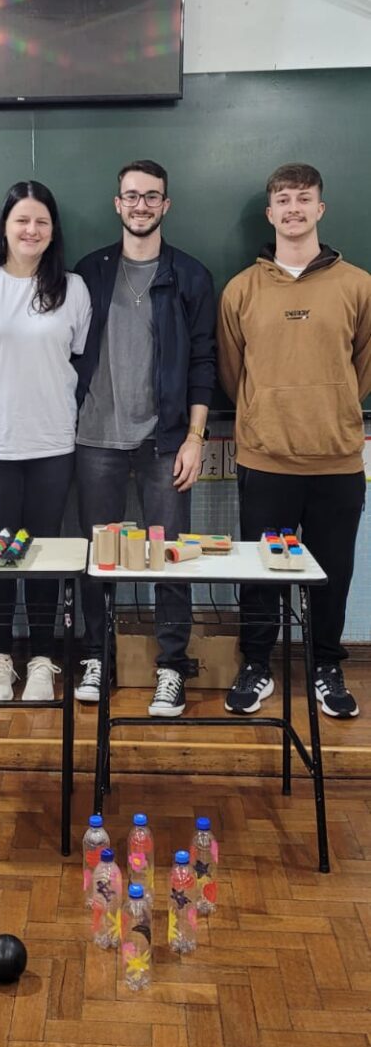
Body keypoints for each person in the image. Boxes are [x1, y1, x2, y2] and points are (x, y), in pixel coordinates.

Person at [217, 162, 371, 720]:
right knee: (261, 574)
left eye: (304, 199)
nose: (294, 209)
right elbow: (233, 372)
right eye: (283, 200)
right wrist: (268, 409)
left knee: (332, 574)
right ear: (270, 213)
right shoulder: (241, 289)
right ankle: (256, 665)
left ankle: (326, 666)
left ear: (320, 209)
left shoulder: (358, 285)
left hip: (337, 460)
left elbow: (363, 367)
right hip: (266, 459)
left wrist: (330, 403)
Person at [74, 159, 217, 717]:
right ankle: (96, 657)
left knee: (169, 558)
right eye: (131, 196)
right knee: (97, 558)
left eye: (151, 196)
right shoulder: (89, 272)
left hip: (166, 442)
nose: (140, 205)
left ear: (166, 205)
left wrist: (195, 438)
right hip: (95, 440)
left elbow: (203, 362)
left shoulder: (191, 276)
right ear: (118, 204)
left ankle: (171, 668)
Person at [0, 181, 91, 702]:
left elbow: (76, 362)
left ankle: (44, 659)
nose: (31, 230)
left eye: (41, 222)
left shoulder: (73, 289)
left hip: (53, 443)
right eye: (22, 220)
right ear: (4, 227)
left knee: (45, 554)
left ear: (53, 231)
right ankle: (1, 658)